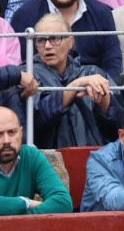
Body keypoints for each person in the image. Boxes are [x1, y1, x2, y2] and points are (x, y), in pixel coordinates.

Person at [31, 15, 118, 148]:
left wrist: (104, 101)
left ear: (70, 41)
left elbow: (120, 124)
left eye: (54, 39)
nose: (47, 46)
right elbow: (38, 118)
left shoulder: (93, 73)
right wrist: (76, 85)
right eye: (41, 40)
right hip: (49, 158)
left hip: (94, 156)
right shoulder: (28, 76)